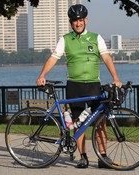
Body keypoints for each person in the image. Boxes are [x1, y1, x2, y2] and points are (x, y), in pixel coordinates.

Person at [36, 4, 122, 169]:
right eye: (75, 21)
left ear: (86, 20)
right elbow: (53, 58)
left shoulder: (96, 38)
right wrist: (42, 75)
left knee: (100, 122)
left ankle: (103, 157)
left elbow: (107, 58)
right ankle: (83, 157)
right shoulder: (65, 39)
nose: (78, 23)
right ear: (71, 23)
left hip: (93, 85)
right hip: (74, 86)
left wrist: (116, 78)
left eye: (81, 20)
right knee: (78, 123)